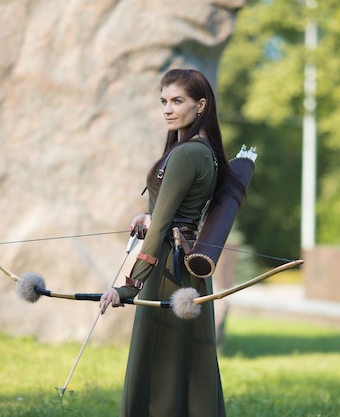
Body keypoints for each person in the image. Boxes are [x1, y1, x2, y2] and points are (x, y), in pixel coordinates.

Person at [100, 68, 242, 417]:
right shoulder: (203, 151)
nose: (168, 108)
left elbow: (164, 225)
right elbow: (177, 215)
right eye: (164, 100)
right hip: (188, 269)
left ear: (201, 105)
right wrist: (151, 218)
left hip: (166, 271)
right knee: (188, 366)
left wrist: (129, 286)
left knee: (158, 369)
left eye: (177, 100)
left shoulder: (185, 154)